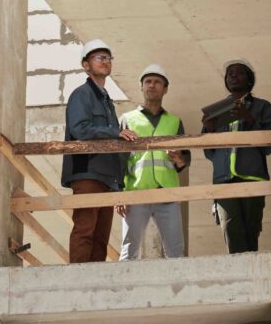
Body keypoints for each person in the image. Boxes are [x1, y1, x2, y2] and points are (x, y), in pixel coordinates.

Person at [61, 39, 138, 263]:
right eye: (99, 58)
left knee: (101, 236)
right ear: (86, 65)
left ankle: (95, 278)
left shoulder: (107, 101)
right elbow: (80, 128)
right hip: (87, 173)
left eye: (108, 58)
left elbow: (115, 144)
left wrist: (120, 183)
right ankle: (78, 277)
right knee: (85, 229)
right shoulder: (82, 94)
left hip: (107, 178)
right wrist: (114, 132)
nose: (105, 62)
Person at [201, 59, 271, 254]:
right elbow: (209, 152)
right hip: (224, 181)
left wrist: (248, 118)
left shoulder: (262, 107)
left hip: (253, 178)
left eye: (239, 72)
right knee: (231, 229)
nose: (233, 75)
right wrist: (208, 130)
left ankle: (250, 277)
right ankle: (241, 271)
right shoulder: (218, 111)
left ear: (249, 81)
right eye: (230, 73)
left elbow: (269, 146)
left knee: (251, 231)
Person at [117, 64, 189, 259]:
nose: (152, 85)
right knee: (129, 250)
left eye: (157, 82)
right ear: (141, 87)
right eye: (148, 81)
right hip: (135, 193)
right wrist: (119, 194)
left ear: (165, 89)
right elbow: (119, 160)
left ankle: (178, 288)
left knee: (176, 249)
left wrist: (178, 158)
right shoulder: (127, 119)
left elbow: (185, 160)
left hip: (167, 193)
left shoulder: (174, 122)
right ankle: (123, 288)